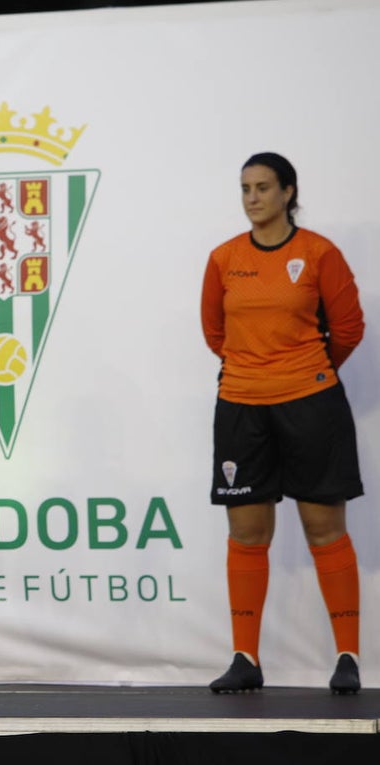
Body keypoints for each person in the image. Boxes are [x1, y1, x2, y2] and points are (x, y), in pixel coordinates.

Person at [201, 152, 365, 694]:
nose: (252, 198)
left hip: (311, 406)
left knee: (325, 530)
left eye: (264, 187)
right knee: (247, 535)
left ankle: (348, 658)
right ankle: (245, 658)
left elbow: (347, 328)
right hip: (242, 406)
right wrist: (257, 369)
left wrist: (305, 372)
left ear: (289, 192)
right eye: (245, 188)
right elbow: (215, 333)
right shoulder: (223, 258)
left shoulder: (319, 254)